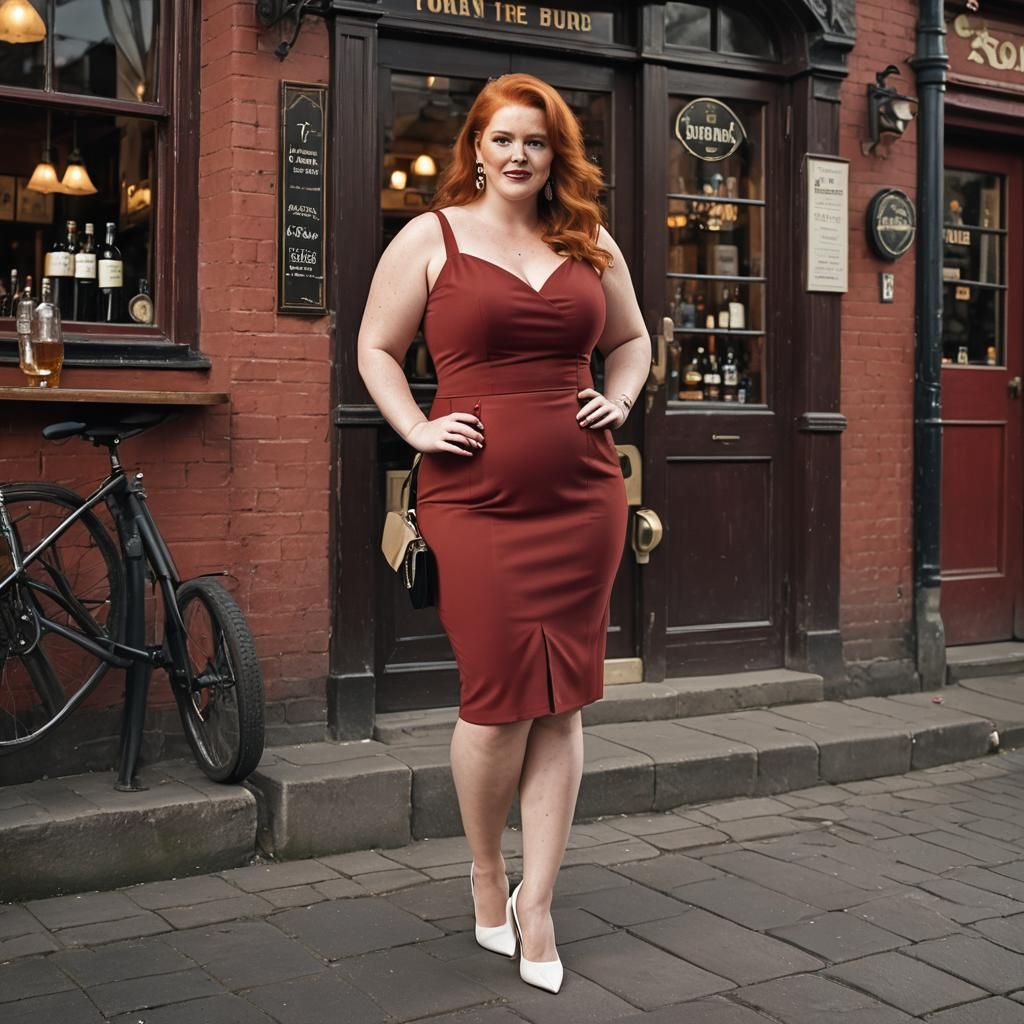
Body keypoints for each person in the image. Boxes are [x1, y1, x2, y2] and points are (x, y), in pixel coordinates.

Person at [357, 73, 651, 995]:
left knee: (562, 701)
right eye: (502, 139)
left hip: (583, 498)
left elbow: (633, 341)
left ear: (553, 152)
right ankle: (487, 870)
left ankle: (540, 901)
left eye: (536, 140)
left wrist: (622, 397)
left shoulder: (589, 241)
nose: (519, 154)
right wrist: (414, 428)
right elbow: (374, 347)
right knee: (496, 699)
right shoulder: (429, 237)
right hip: (473, 502)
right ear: (475, 149)